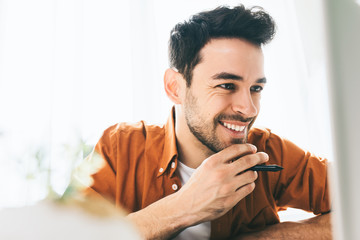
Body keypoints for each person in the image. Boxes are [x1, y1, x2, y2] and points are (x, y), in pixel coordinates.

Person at [85, 4, 331, 239]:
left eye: (256, 87)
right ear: (175, 87)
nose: (249, 108)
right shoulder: (119, 148)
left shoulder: (271, 153)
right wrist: (183, 207)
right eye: (226, 85)